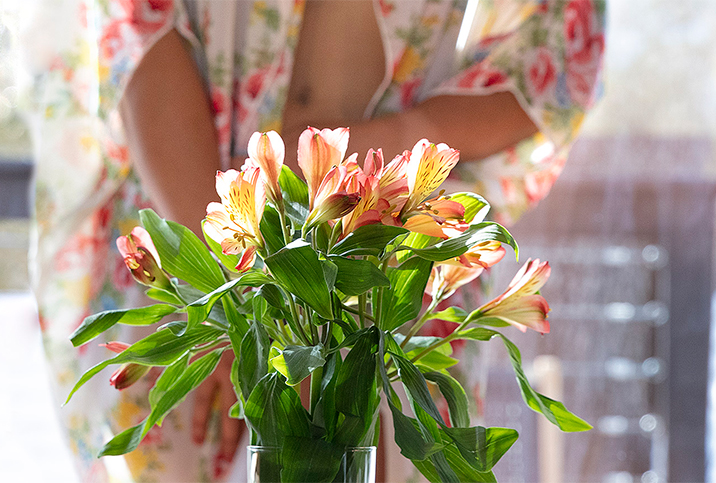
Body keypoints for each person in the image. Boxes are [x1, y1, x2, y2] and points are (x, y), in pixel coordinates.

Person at [21, 0, 605, 481]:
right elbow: (138, 32)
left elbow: (552, 47)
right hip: (189, 218)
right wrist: (230, 296)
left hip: (395, 241)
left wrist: (395, 147)